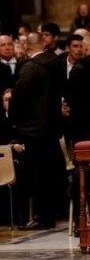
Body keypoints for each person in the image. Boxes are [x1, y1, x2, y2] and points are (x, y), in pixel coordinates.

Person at [9, 32, 65, 230]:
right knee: (50, 172)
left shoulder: (30, 68)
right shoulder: (57, 63)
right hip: (52, 127)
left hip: (32, 129)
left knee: (36, 174)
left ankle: (41, 216)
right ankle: (50, 214)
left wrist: (14, 121)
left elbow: (17, 98)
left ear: (27, 47)